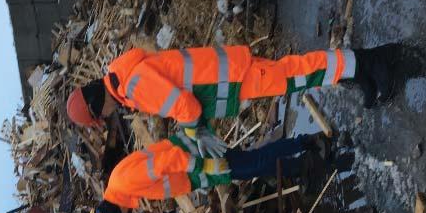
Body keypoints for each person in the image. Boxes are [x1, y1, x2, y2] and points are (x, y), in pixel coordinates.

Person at [66, 45, 397, 155]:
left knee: (297, 73)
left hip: (230, 77)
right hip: (226, 74)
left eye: (102, 116)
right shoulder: (124, 79)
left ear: (99, 106)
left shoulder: (135, 86)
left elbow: (186, 107)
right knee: (295, 74)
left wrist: (195, 134)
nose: (109, 118)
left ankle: (369, 63)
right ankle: (360, 73)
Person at [90, 132, 328, 213]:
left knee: (251, 162)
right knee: (250, 165)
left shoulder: (126, 182)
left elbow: (169, 160)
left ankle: (304, 145)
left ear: (115, 211)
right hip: (195, 167)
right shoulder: (119, 186)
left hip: (198, 158)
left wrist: (202, 167)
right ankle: (297, 165)